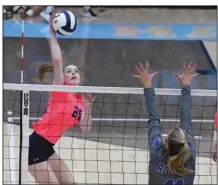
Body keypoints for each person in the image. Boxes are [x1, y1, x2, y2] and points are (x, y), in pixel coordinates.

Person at [28, 16, 94, 184]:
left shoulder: (80, 102)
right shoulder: (60, 90)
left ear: (80, 77)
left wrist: (88, 108)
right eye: (69, 71)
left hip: (48, 148)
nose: (73, 73)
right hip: (35, 145)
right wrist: (52, 32)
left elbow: (85, 129)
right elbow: (57, 61)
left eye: (76, 72)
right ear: (63, 77)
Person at [133, 61, 198, 184]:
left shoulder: (158, 151)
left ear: (166, 142)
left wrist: (187, 85)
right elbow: (184, 119)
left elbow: (154, 119)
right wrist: (147, 86)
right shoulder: (190, 154)